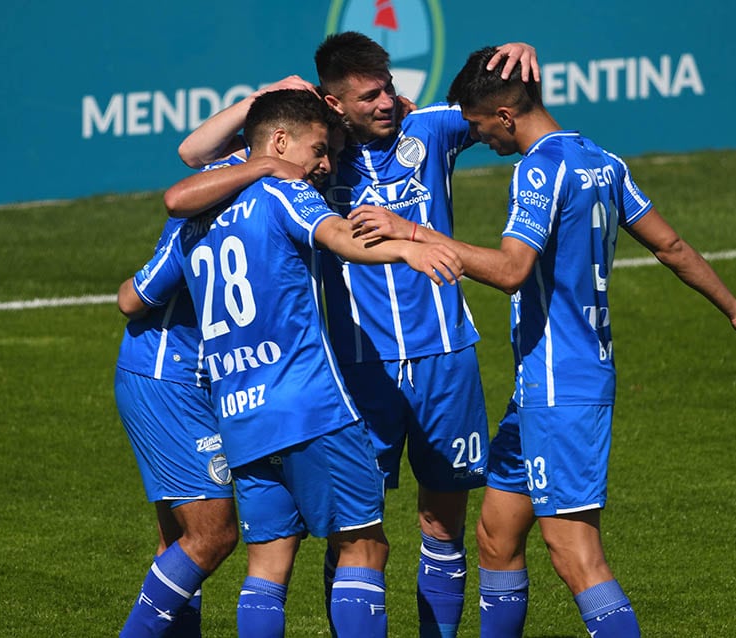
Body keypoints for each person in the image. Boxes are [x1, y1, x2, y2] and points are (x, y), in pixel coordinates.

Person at [350, 46, 736, 637]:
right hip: (540, 390)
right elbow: (671, 246)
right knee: (496, 534)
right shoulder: (601, 160)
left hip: (562, 386)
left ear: (503, 116)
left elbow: (511, 270)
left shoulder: (538, 170)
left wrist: (412, 231)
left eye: (477, 126)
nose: (478, 140)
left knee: (574, 552)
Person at [171, 34, 541, 638]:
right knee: (349, 534)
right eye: (369, 96)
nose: (387, 103)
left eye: (389, 88)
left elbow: (510, 115)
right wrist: (263, 97)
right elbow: (194, 153)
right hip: (355, 370)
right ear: (334, 105)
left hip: (444, 356)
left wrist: (520, 54)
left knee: (442, 522)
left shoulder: (433, 132)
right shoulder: (317, 154)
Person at [118, 88, 465, 638]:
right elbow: (338, 235)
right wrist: (408, 246)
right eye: (320, 150)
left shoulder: (198, 220)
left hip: (238, 412)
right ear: (278, 143)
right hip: (309, 404)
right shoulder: (283, 189)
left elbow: (133, 297)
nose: (327, 165)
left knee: (268, 565)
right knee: (365, 546)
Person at [114, 144, 311, 636]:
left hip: (198, 379)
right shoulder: (209, 213)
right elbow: (132, 298)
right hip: (168, 378)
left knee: (180, 542)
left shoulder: (258, 191)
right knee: (212, 535)